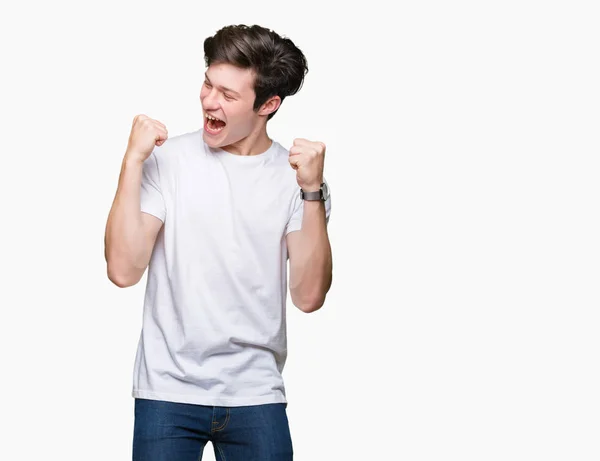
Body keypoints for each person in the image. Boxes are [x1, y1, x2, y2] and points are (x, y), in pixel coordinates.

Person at [104, 24, 333, 461]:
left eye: (228, 95)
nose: (209, 101)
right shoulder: (168, 160)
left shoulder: (298, 181)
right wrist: (133, 161)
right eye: (209, 83)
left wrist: (312, 192)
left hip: (256, 393)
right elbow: (122, 269)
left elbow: (308, 297)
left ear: (268, 105)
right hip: (167, 389)